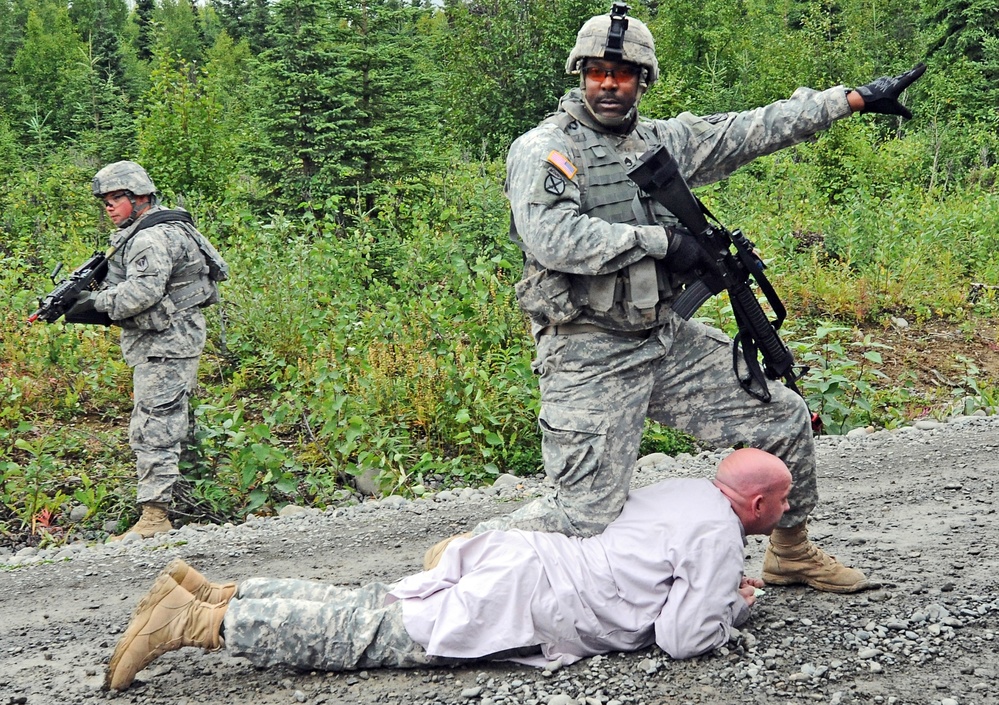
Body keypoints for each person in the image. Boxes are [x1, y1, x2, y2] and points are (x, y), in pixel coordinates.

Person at [423, 4, 924, 593]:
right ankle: (463, 553)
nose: (609, 84)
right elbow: (554, 238)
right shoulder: (545, 150)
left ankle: (791, 552)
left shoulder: (660, 143)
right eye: (597, 72)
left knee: (783, 415)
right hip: (588, 353)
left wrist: (850, 99)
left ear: (642, 81)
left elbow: (749, 128)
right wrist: (661, 241)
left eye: (624, 73)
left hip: (662, 339)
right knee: (583, 517)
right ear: (580, 74)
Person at [105, 448, 791, 691]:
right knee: (367, 637)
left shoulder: (683, 489)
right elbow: (682, 637)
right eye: (783, 501)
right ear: (756, 501)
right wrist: (733, 604)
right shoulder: (719, 533)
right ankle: (199, 621)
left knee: (372, 600)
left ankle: (220, 588)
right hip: (532, 599)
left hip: (521, 555)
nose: (785, 511)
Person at [74, 160, 228, 541]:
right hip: (172, 340)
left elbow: (142, 293)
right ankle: (192, 503)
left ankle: (155, 518)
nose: (108, 207)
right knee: (178, 421)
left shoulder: (148, 237)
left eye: (115, 198)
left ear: (139, 196)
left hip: (165, 343)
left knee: (153, 427)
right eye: (105, 200)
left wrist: (94, 304)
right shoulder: (166, 227)